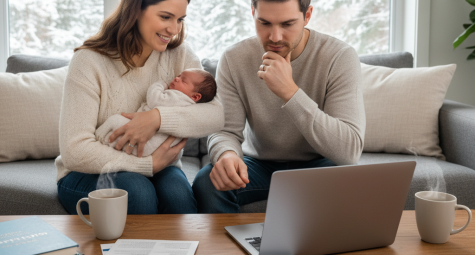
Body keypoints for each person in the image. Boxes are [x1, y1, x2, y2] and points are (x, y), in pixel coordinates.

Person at [192, 0, 366, 213]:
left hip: (320, 165)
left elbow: (349, 152)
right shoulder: (234, 58)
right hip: (258, 165)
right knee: (206, 182)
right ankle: (232, 246)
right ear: (252, 12)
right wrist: (227, 154)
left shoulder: (339, 56)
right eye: (264, 23)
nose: (275, 37)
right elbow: (225, 131)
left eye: (287, 24)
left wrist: (290, 93)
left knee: (356, 182)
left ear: (307, 15)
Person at [55, 0, 224, 215]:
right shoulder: (88, 61)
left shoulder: (180, 54)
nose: (174, 29)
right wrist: (147, 165)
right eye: (165, 17)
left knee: (177, 195)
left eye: (180, 19)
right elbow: (74, 151)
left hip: (162, 167)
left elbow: (216, 116)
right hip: (88, 172)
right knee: (137, 190)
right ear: (136, 11)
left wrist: (156, 119)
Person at [95, 68, 217, 161]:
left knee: (115, 120)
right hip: (159, 149)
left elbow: (154, 99)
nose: (176, 78)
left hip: (149, 144)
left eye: (183, 80)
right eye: (178, 76)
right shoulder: (190, 106)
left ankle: (100, 138)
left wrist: (160, 84)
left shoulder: (177, 97)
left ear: (195, 96)